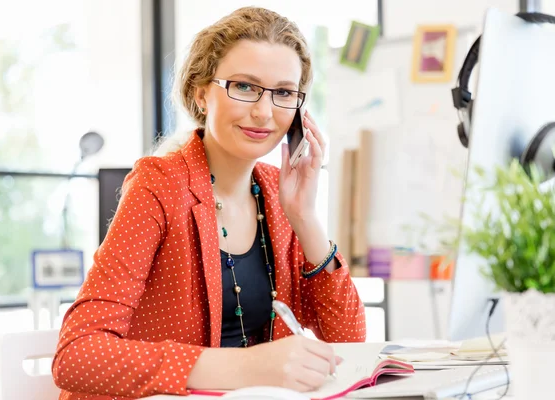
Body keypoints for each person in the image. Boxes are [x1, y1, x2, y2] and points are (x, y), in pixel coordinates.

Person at [52, 6, 366, 400]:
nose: (264, 112)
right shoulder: (159, 185)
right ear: (201, 93)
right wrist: (247, 368)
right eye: (245, 86)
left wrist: (305, 217)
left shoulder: (278, 194)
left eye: (284, 92)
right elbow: (77, 356)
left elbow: (350, 342)